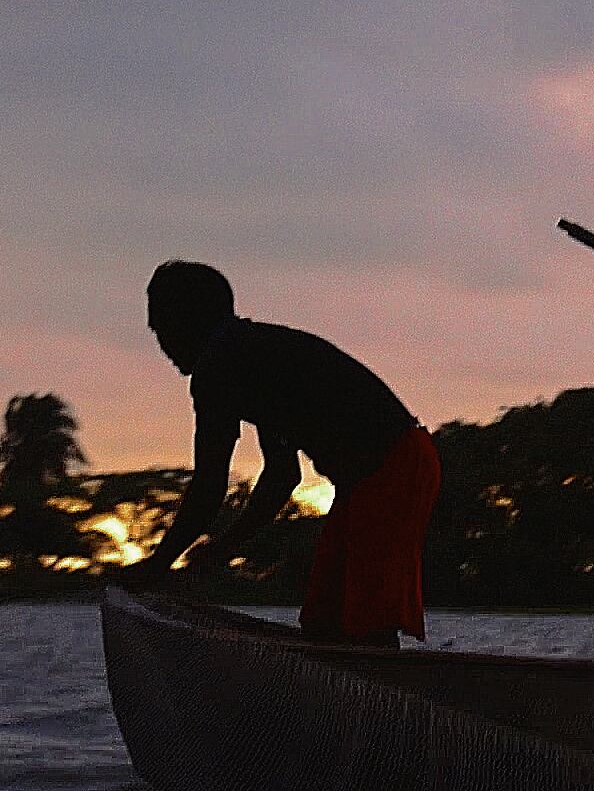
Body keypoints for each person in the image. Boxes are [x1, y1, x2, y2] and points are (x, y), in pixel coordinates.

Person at [133, 260, 439, 646]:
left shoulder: (220, 365)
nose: (162, 345)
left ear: (185, 322)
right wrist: (215, 555)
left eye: (161, 328)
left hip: (394, 470)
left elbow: (209, 486)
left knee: (364, 627)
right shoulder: (251, 356)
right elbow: (281, 478)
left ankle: (390, 701)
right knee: (325, 622)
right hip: (382, 473)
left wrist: (158, 566)